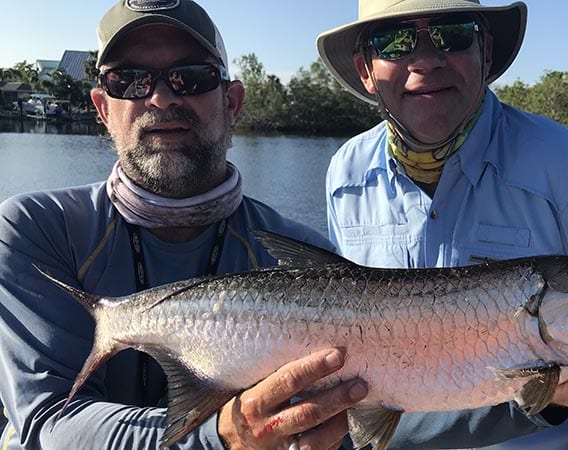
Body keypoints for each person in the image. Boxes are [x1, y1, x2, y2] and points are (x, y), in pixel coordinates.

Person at [317, 0, 568, 449]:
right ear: (365, 69)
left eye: (451, 33)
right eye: (393, 42)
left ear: (485, 52)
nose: (426, 59)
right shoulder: (345, 172)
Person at [0, 1, 367, 449]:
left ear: (232, 103)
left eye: (190, 77)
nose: (161, 98)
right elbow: (49, 426)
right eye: (129, 80)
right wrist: (224, 438)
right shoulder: (35, 230)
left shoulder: (306, 257)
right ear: (102, 108)